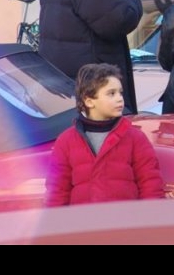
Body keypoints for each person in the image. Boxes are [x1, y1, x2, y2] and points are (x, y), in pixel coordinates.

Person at [44, 63, 165, 206]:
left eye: (120, 92)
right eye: (111, 93)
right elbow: (57, 191)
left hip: (125, 218)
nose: (120, 98)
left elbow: (150, 184)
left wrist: (150, 216)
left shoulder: (135, 138)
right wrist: (56, 219)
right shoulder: (66, 141)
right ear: (89, 101)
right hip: (84, 219)